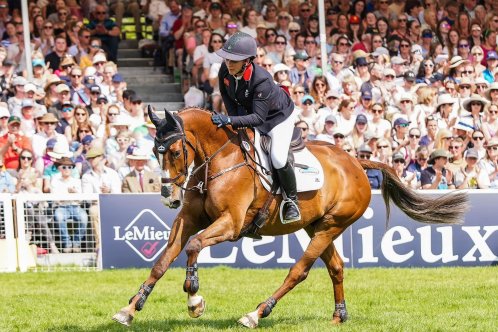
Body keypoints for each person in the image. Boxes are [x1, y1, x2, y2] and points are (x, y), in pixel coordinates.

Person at [212, 32, 300, 223]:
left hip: (278, 118)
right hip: (249, 113)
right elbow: (228, 97)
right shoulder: (225, 70)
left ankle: (291, 201)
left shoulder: (262, 80)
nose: (229, 63)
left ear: (248, 61)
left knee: (277, 157)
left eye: (234, 60)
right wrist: (233, 119)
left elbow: (259, 118)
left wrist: (229, 121)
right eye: (227, 59)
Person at [51, 157, 88, 253]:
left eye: (69, 167)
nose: (67, 169)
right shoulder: (55, 180)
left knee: (84, 218)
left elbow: (81, 199)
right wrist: (69, 195)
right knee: (58, 217)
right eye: (64, 167)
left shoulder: (77, 181)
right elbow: (55, 199)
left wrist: (74, 194)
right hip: (62, 207)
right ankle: (67, 243)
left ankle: (76, 243)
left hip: (75, 206)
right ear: (59, 168)